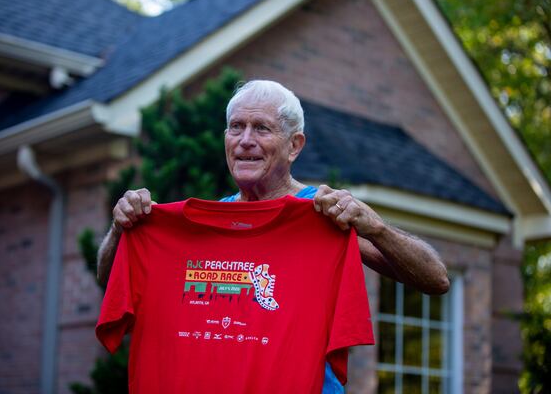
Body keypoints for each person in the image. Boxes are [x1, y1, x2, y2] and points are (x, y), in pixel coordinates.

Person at [96, 80, 449, 393]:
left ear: (294, 145)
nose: (245, 140)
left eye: (261, 128)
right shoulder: (205, 225)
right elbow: (111, 282)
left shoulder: (322, 217)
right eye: (236, 127)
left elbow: (437, 279)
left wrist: (377, 228)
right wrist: (120, 230)